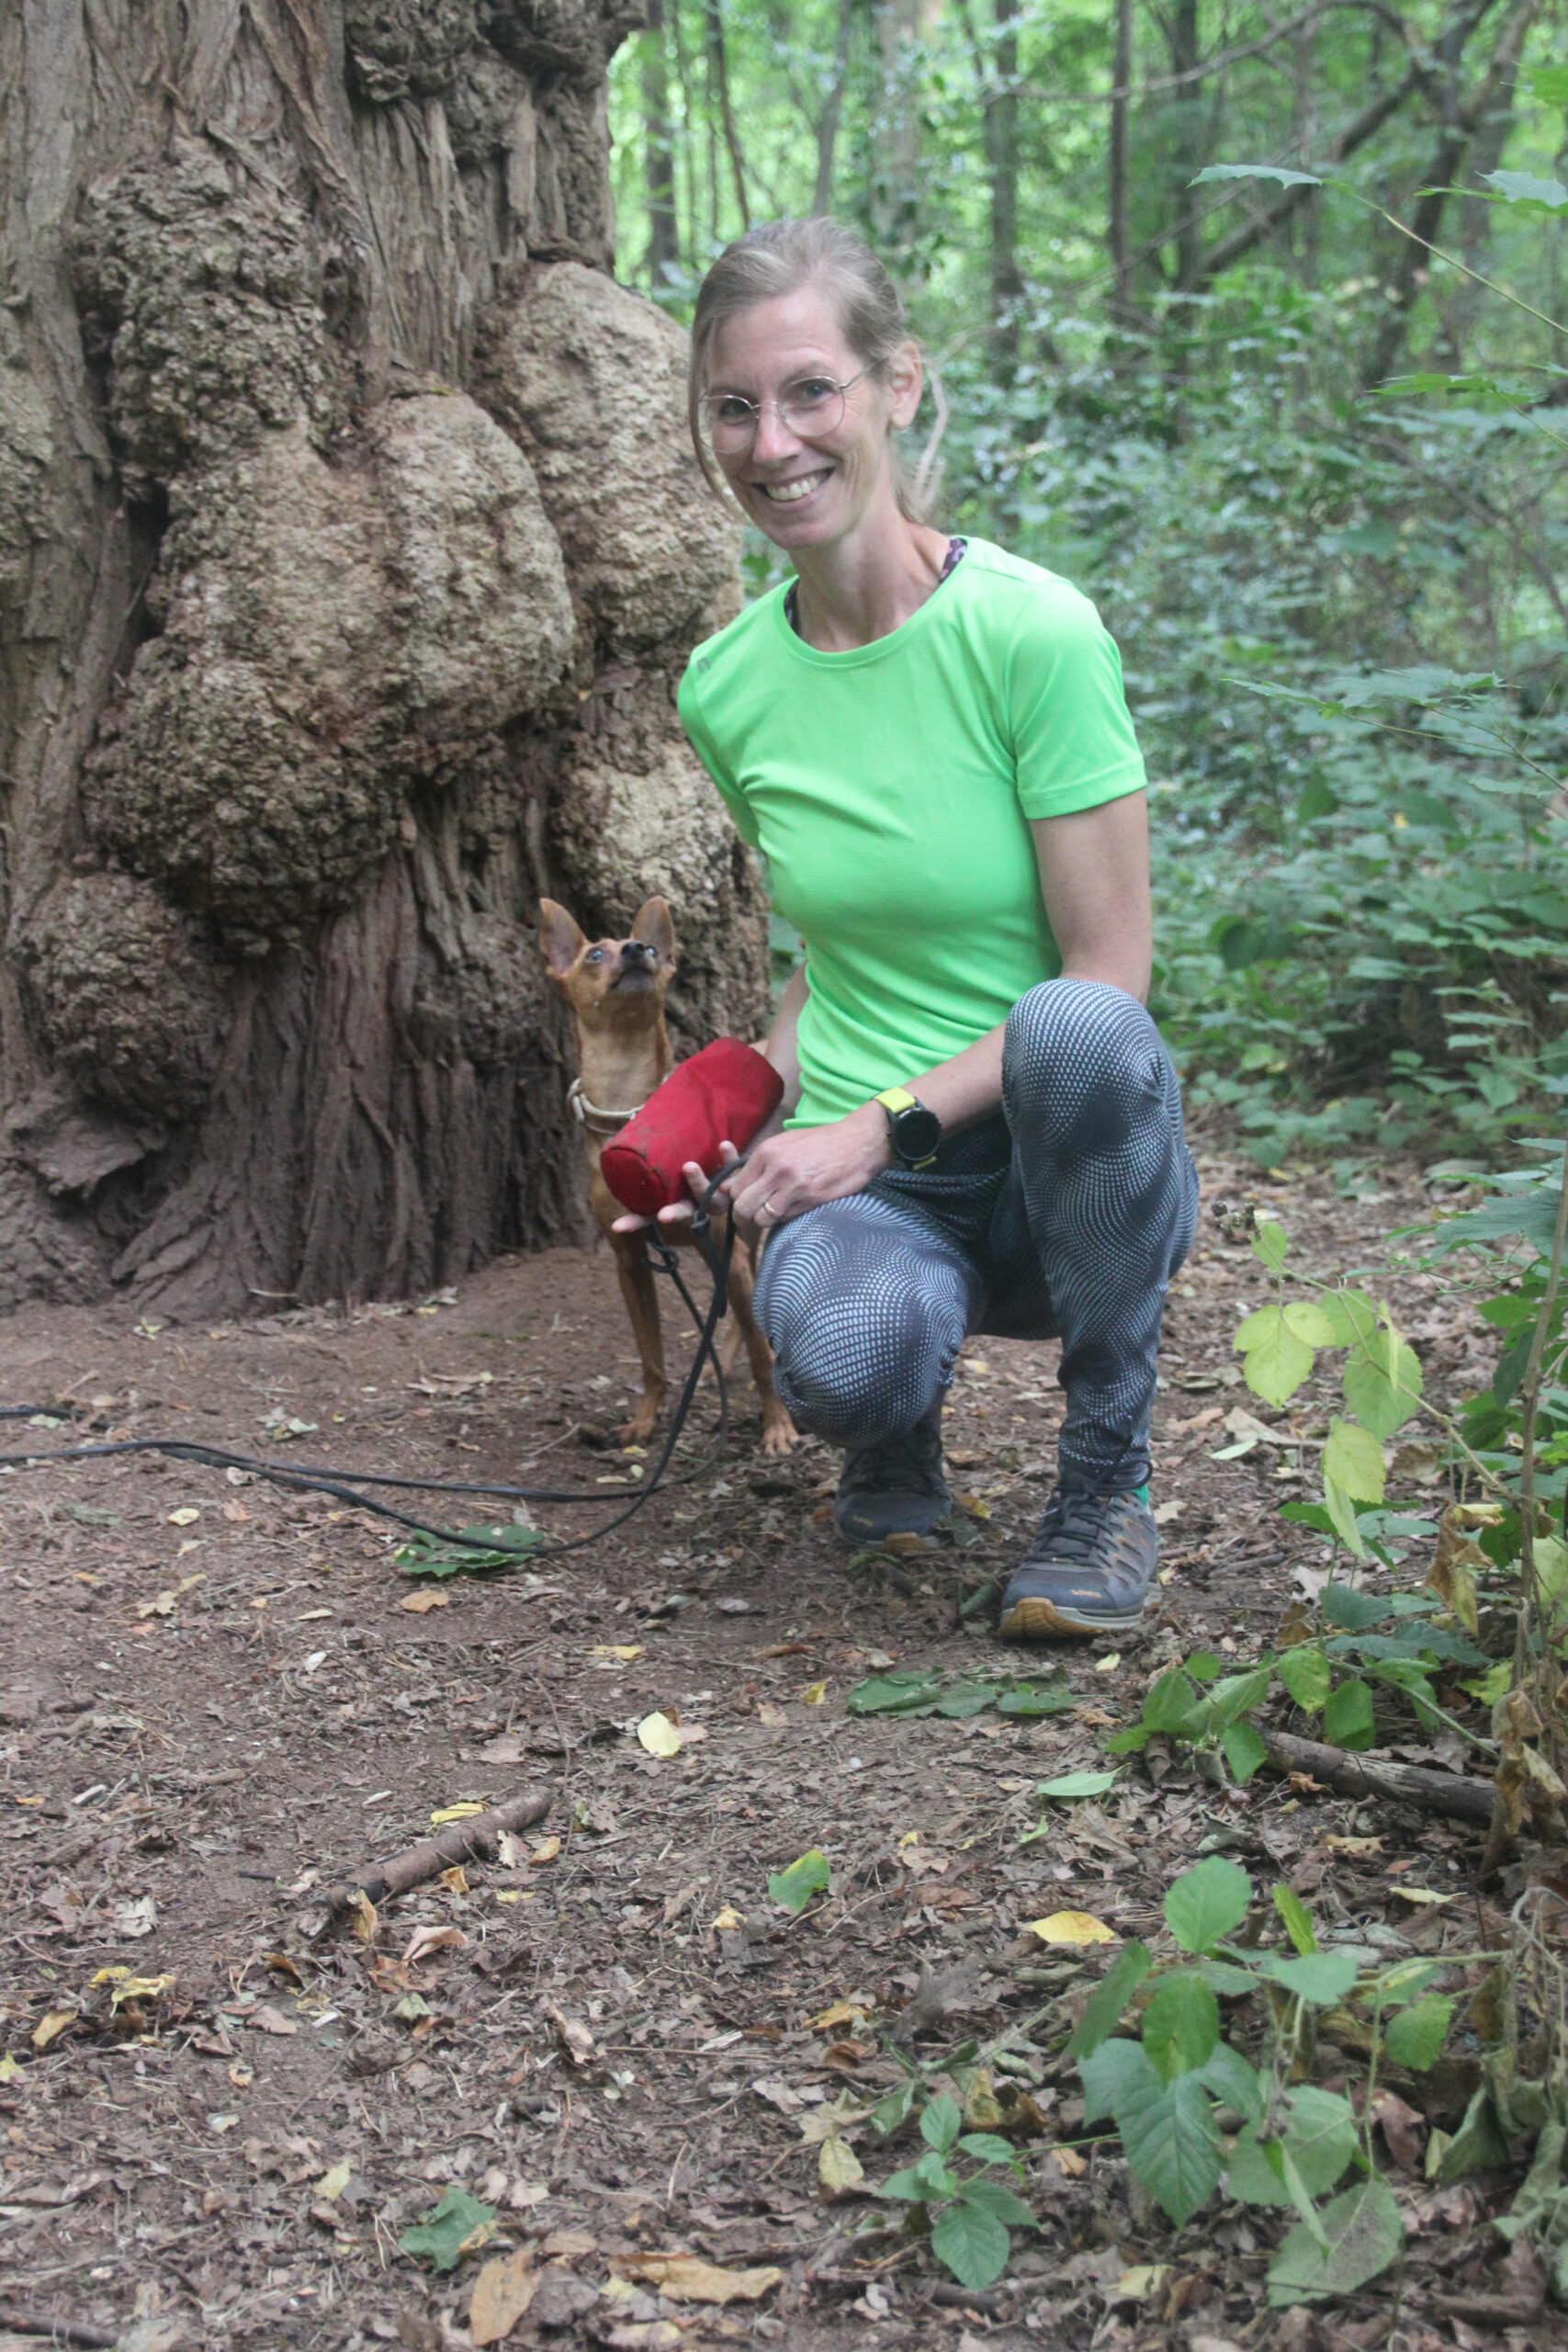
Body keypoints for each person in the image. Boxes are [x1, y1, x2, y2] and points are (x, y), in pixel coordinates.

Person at [617, 217, 1198, 1641]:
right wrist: (743, 1108)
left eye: (811, 390)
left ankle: (1103, 1491)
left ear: (899, 387)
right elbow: (840, 948)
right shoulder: (726, 688)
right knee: (850, 1362)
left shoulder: (1033, 636)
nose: (772, 445)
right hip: (882, 1195)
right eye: (736, 407)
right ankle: (893, 1431)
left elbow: (1109, 975)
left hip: (1069, 1161)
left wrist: (875, 1126)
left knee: (1073, 1029)